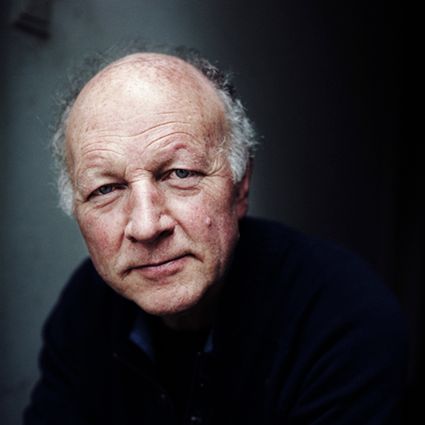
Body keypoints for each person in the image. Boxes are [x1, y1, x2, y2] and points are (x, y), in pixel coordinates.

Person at [24, 48, 407, 425]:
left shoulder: (344, 318)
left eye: (181, 173)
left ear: (240, 186)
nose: (146, 226)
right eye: (105, 189)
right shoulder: (85, 306)